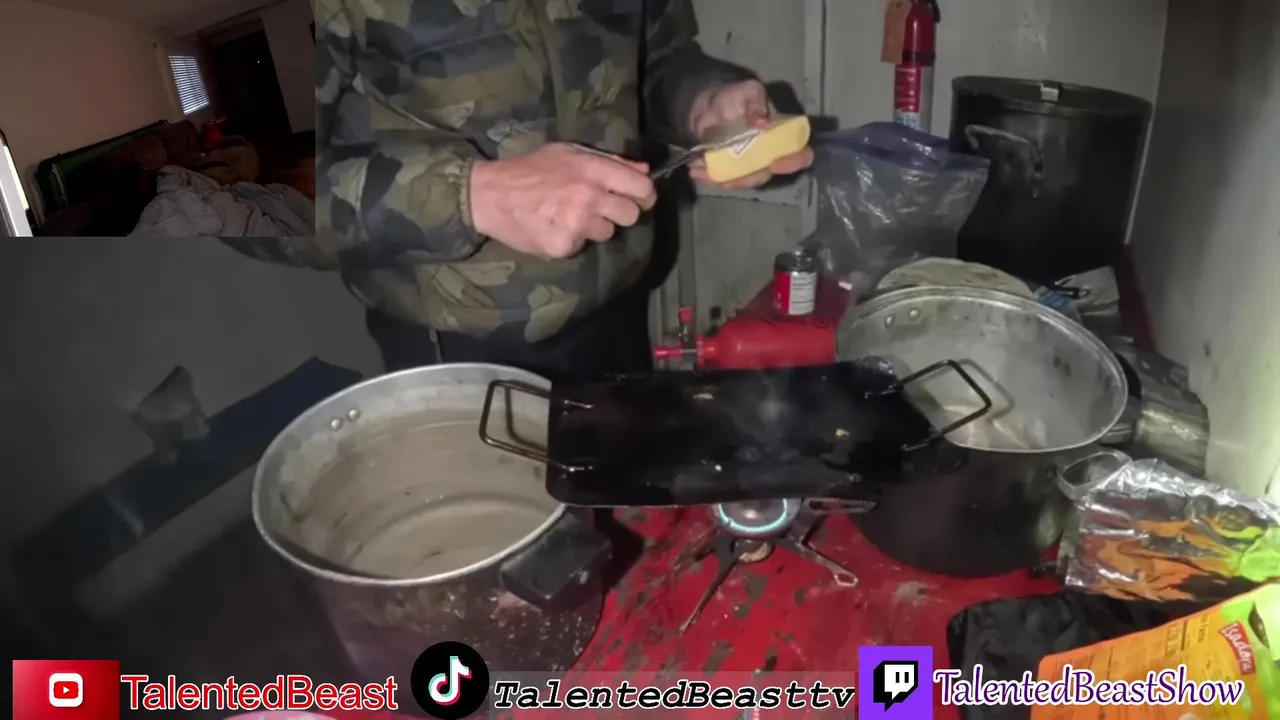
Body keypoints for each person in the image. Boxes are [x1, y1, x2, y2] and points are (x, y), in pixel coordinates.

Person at [230, 0, 812, 380]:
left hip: (620, 305)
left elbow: (657, 56)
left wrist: (701, 102)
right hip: (458, 344)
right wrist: (470, 195)